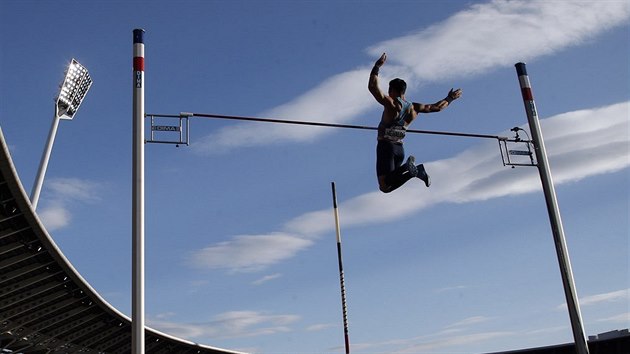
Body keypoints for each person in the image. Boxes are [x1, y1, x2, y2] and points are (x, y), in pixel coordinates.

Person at [368, 52, 462, 193]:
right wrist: (450, 98)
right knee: (389, 184)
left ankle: (409, 169)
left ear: (391, 90)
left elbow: (373, 87)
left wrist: (377, 67)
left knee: (384, 186)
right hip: (399, 149)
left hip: (386, 146)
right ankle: (415, 170)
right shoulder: (414, 108)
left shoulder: (391, 104)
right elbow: (437, 107)